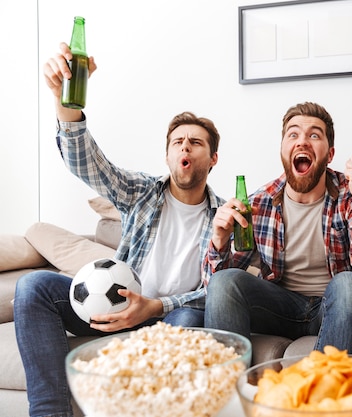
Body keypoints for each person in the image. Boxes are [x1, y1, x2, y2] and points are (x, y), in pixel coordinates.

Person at [13, 42, 225, 417]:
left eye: (195, 142)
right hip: (114, 305)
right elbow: (89, 165)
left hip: (171, 315)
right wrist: (67, 105)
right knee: (33, 286)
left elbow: (218, 293)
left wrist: (155, 307)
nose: (184, 147)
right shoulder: (140, 192)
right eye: (177, 142)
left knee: (191, 320)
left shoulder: (225, 216)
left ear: (213, 158)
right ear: (168, 156)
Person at [203, 102, 352, 354]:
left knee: (350, 284)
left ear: (330, 154)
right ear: (282, 150)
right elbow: (213, 287)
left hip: (334, 307)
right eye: (293, 134)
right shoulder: (259, 203)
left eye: (314, 135)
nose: (302, 142)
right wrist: (219, 241)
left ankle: (329, 388)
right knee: (224, 283)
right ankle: (226, 388)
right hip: (281, 309)